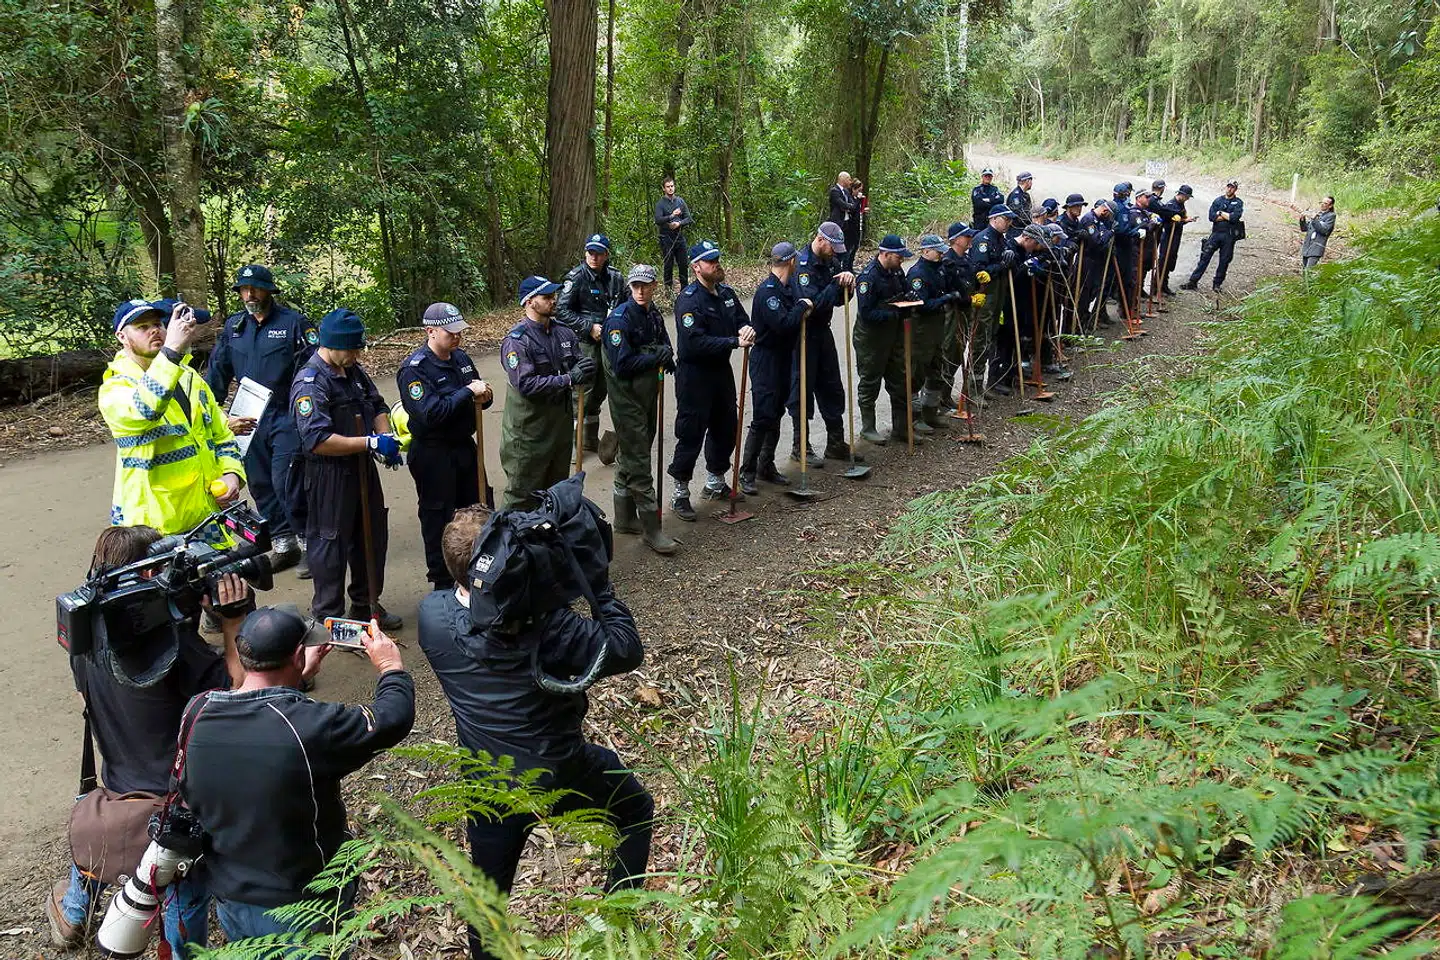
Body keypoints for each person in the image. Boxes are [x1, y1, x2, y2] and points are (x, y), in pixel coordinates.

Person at [418, 506, 651, 960]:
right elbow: (625, 649)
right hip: (562, 770)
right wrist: (597, 584)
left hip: (489, 786)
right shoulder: (553, 628)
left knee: (487, 906)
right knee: (636, 810)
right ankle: (618, 924)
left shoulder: (433, 618)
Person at [44, 527, 251, 955]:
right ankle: (182, 951)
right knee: (182, 890)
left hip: (119, 786)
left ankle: (76, 906)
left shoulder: (83, 634)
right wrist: (233, 625)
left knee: (108, 833)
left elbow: (86, 695)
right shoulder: (174, 648)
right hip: (177, 805)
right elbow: (234, 696)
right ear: (150, 571)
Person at [176, 606, 413, 946]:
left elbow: (263, 711)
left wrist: (295, 677)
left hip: (231, 895)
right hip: (301, 906)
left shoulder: (196, 711)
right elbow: (392, 718)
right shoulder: (309, 727)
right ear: (299, 655)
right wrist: (391, 667)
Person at [290, 308, 404, 629]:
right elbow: (317, 439)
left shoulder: (352, 370)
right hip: (328, 473)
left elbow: (377, 403)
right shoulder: (311, 383)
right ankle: (329, 616)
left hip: (361, 468)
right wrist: (369, 443)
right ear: (330, 344)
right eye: (351, 348)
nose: (356, 354)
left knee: (371, 535)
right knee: (330, 544)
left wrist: (385, 437)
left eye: (358, 348)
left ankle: (366, 604)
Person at [101, 298, 246, 540]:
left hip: (205, 514)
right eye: (142, 327)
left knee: (223, 577)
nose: (154, 330)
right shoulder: (115, 388)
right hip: (152, 526)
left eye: (157, 323)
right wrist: (169, 354)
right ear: (122, 337)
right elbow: (145, 410)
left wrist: (231, 474)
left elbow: (221, 434)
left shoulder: (189, 377)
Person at [205, 265, 316, 571]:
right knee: (259, 482)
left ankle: (309, 543)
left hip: (286, 415)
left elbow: (313, 368)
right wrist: (209, 410)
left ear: (270, 291)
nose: (249, 295)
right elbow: (218, 371)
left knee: (287, 481)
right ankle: (284, 544)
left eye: (255, 289)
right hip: (247, 417)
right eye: (244, 289)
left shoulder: (294, 323)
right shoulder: (235, 327)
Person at [398, 303, 494, 589]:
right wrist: (467, 392)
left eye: (459, 332)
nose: (457, 338)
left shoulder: (460, 358)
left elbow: (481, 396)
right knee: (439, 515)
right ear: (431, 331)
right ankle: (442, 580)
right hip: (433, 453)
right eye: (450, 333)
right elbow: (431, 413)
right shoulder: (414, 370)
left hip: (464, 446)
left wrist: (484, 394)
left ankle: (479, 568)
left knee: (478, 506)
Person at [667, 240, 755, 519]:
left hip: (720, 372)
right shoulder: (689, 300)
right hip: (694, 375)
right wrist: (733, 341)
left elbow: (742, 318)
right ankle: (680, 491)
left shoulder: (726, 294)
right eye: (709, 261)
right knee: (691, 431)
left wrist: (746, 330)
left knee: (726, 425)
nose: (715, 264)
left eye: (716, 258)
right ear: (696, 267)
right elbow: (694, 344)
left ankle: (715, 480)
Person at [601, 264, 678, 554]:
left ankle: (623, 518)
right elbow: (622, 365)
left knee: (633, 454)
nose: (641, 291)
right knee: (639, 461)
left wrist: (666, 354)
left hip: (647, 395)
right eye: (635, 286)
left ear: (654, 286)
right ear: (630, 287)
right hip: (627, 400)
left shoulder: (653, 312)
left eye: (645, 285)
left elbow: (662, 340)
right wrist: (653, 356)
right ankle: (652, 529)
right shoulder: (619, 321)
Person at [500, 277, 589, 509]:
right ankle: (511, 543)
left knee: (556, 492)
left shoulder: (564, 333)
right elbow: (527, 385)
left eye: (553, 296)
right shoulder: (517, 341)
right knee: (522, 496)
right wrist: (569, 378)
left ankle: (551, 542)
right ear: (529, 302)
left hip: (559, 428)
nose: (553, 301)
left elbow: (578, 364)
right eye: (547, 297)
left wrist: (584, 369)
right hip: (529, 433)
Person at [740, 241, 810, 494]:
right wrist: (802, 306)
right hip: (766, 359)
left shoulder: (787, 286)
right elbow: (782, 323)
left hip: (783, 357)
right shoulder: (768, 292)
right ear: (790, 262)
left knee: (777, 411)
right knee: (763, 415)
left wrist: (800, 304)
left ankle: (765, 466)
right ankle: (746, 472)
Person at [789, 221, 858, 466]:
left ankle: (835, 442)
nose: (835, 253)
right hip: (805, 333)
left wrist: (848, 286)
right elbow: (814, 305)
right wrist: (833, 285)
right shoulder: (802, 266)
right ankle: (801, 445)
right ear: (820, 240)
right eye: (833, 247)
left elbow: (838, 301)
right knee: (803, 389)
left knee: (832, 386)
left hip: (823, 333)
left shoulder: (832, 262)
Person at [556, 234, 625, 458]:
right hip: (584, 342)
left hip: (609, 341)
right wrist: (588, 327)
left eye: (599, 253)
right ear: (585, 253)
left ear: (606, 255)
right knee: (582, 390)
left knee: (601, 389)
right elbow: (561, 310)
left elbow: (625, 306)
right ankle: (574, 445)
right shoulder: (575, 278)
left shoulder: (615, 277)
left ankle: (589, 439)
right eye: (590, 253)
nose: (594, 257)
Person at [854, 234, 913, 444]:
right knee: (870, 380)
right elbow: (866, 313)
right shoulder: (868, 278)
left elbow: (906, 291)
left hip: (894, 335)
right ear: (885, 254)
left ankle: (901, 427)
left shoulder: (896, 271)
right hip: (871, 338)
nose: (902, 260)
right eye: (899, 256)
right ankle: (868, 427)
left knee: (899, 380)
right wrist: (893, 313)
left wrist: (909, 300)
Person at [906, 235, 959, 431]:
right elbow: (921, 305)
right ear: (926, 251)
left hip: (937, 326)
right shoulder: (918, 274)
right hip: (921, 329)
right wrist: (945, 298)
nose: (941, 255)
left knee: (937, 370)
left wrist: (952, 275)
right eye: (938, 251)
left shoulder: (940, 270)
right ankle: (914, 417)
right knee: (917, 373)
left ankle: (931, 412)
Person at [966, 205, 1019, 395]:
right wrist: (1000, 265)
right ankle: (973, 389)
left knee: (992, 337)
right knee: (981, 339)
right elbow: (978, 271)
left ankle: (985, 384)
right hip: (985, 295)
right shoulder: (983, 239)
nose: (1009, 223)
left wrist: (1010, 261)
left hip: (999, 295)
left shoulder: (1002, 240)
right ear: (994, 219)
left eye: (1010, 220)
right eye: (1006, 219)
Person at [926, 222, 976, 408]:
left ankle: (945, 394)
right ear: (955, 239)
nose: (970, 239)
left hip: (965, 310)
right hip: (951, 312)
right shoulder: (945, 260)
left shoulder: (968, 259)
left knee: (958, 352)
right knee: (947, 351)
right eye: (966, 236)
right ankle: (936, 396)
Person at [1182, 179, 1244, 292]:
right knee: (1205, 257)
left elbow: (1235, 218)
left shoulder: (1238, 202)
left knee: (1224, 261)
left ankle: (1217, 284)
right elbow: (1211, 217)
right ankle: (1193, 282)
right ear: (1226, 187)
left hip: (1229, 236)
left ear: (1235, 189)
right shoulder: (1218, 200)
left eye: (1232, 187)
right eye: (1228, 186)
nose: (1230, 189)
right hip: (1216, 233)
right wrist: (1227, 216)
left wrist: (1220, 213)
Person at [1077, 199, 1117, 328]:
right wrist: (1110, 232)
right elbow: (1098, 241)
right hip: (1087, 260)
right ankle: (1080, 323)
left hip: (1097, 261)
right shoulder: (1089, 220)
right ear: (1105, 211)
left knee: (1094, 290)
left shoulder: (1099, 220)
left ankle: (1087, 320)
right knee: (1085, 293)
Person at [1152, 185, 1195, 295]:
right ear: (1181, 195)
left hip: (1176, 236)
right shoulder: (1170, 205)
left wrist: (1185, 220)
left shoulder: (1181, 205)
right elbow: (1167, 223)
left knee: (1170, 261)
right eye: (1187, 196)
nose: (1188, 199)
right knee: (1163, 260)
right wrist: (1183, 221)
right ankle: (1156, 286)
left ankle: (1164, 285)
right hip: (1168, 236)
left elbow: (1180, 218)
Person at [654, 177, 693, 292]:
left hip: (679, 237)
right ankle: (668, 291)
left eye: (672, 186)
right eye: (668, 187)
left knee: (683, 264)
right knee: (668, 265)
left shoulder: (680, 201)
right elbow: (658, 220)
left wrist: (679, 223)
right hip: (666, 238)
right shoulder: (660, 204)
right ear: (663, 189)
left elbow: (689, 218)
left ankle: (685, 290)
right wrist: (671, 216)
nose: (670, 188)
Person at [828, 172, 864, 271]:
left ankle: (847, 269)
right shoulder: (834, 191)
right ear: (843, 179)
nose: (850, 181)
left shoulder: (846, 192)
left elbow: (852, 207)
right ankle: (836, 269)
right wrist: (849, 206)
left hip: (847, 225)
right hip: (838, 225)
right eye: (849, 179)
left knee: (848, 248)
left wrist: (849, 206)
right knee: (836, 248)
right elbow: (844, 205)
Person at [1300, 196, 1336, 270]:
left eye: (1325, 203)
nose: (1322, 204)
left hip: (1316, 248)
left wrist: (1314, 219)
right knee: (1304, 271)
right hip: (1307, 247)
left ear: (1330, 206)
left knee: (1308, 271)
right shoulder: (1317, 214)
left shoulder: (1331, 216)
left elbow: (1324, 230)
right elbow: (1304, 229)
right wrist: (1302, 219)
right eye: (1321, 202)